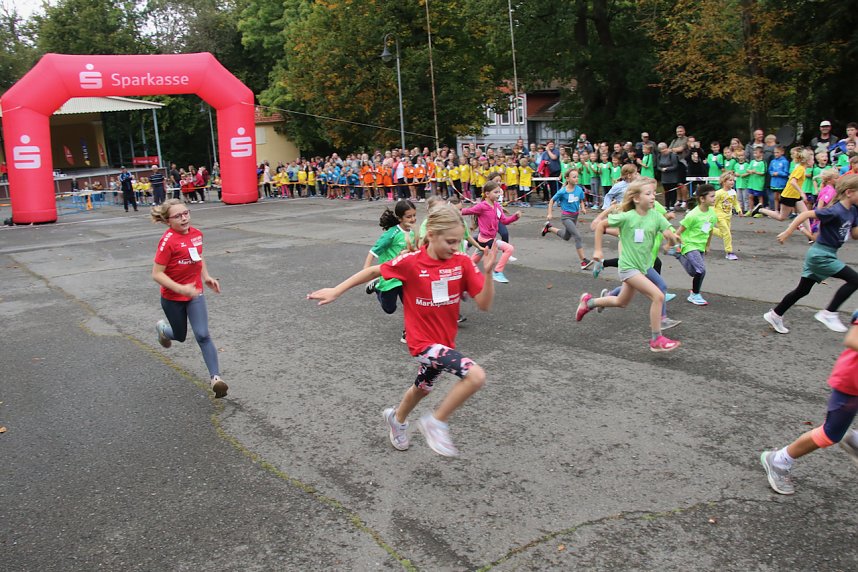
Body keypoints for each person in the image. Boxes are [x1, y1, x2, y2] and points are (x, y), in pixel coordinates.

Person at [308, 206, 497, 457]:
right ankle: (435, 422)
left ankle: (397, 419)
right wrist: (336, 290)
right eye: (450, 241)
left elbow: (483, 304)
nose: (455, 247)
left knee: (422, 387)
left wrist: (489, 272)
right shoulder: (411, 262)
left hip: (444, 344)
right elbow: (375, 270)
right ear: (431, 234)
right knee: (475, 376)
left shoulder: (461, 263)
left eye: (459, 241)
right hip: (422, 343)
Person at [576, 177, 682, 352]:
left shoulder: (656, 216)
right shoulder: (627, 217)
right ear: (636, 198)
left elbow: (668, 233)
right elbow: (601, 225)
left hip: (642, 266)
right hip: (628, 268)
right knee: (658, 296)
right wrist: (598, 251)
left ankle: (589, 303)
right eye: (648, 193)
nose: (653, 196)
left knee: (621, 302)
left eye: (654, 193)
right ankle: (656, 339)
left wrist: (672, 240)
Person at [760, 310, 858, 495]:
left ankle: (855, 440)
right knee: (831, 433)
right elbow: (852, 339)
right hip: (852, 381)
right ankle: (779, 460)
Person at [150, 199, 227, 398]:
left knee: (202, 334)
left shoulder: (196, 235)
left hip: (195, 293)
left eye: (186, 213)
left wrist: (207, 277)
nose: (184, 218)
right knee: (181, 335)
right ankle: (163, 330)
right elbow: (157, 274)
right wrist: (180, 289)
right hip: (172, 297)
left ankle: (216, 379)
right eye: (178, 216)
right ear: (168, 221)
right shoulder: (167, 241)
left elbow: (198, 256)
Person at [763, 174, 858, 334]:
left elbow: (855, 235)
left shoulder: (853, 211)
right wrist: (788, 232)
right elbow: (805, 214)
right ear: (849, 192)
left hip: (827, 253)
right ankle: (829, 313)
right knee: (855, 280)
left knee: (803, 290)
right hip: (820, 255)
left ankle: (775, 314)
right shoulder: (835, 211)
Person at [364, 201, 418, 343]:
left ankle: (408, 332)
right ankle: (377, 287)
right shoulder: (392, 233)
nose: (412, 219)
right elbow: (373, 251)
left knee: (411, 305)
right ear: (400, 218)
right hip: (389, 277)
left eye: (414, 215)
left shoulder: (413, 233)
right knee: (389, 309)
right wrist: (366, 272)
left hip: (406, 276)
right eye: (408, 217)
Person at [462, 181, 521, 283]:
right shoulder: (482, 206)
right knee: (509, 248)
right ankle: (498, 272)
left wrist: (515, 217)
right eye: (496, 192)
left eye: (499, 192)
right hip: (485, 239)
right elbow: (467, 211)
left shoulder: (497, 206)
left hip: (487, 239)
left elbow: (504, 221)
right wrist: (451, 210)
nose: (498, 194)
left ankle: (462, 273)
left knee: (473, 262)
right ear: (487, 194)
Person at [752, 148, 815, 241]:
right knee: (781, 217)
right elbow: (793, 182)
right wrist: (802, 193)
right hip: (789, 196)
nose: (813, 161)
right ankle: (761, 209)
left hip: (795, 195)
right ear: (807, 161)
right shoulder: (800, 169)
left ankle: (810, 236)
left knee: (805, 214)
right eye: (812, 159)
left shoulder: (802, 169)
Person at [672, 184, 718, 305]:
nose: (714, 198)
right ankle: (695, 294)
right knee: (701, 270)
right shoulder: (692, 215)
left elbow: (711, 230)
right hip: (689, 244)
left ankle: (678, 255)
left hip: (701, 245)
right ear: (702, 199)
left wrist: (708, 245)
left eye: (715, 196)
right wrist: (677, 243)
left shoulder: (712, 213)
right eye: (712, 196)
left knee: (694, 272)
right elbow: (678, 232)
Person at [541, 169, 592, 270]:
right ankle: (583, 261)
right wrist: (550, 213)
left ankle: (549, 228)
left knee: (566, 237)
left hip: (575, 216)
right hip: (566, 217)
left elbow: (581, 199)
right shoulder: (562, 191)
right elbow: (551, 201)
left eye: (577, 176)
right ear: (567, 178)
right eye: (574, 177)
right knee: (577, 236)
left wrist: (583, 208)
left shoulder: (579, 189)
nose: (576, 178)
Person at [712, 172, 744, 260]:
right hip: (719, 216)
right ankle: (729, 252)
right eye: (730, 180)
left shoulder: (733, 192)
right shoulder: (718, 193)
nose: (732, 182)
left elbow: (735, 202)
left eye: (733, 180)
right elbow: (712, 204)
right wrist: (711, 215)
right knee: (727, 233)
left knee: (724, 234)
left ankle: (710, 230)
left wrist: (739, 210)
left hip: (728, 217)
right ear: (724, 181)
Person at [656, 142, 681, 210]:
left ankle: (672, 204)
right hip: (664, 177)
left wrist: (667, 169)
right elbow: (658, 166)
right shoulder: (659, 156)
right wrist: (661, 169)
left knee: (672, 190)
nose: (662, 151)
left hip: (672, 176)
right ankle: (666, 205)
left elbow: (675, 166)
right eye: (660, 150)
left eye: (663, 149)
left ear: (666, 148)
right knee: (666, 191)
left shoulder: (672, 155)